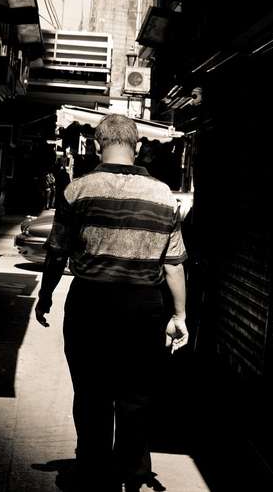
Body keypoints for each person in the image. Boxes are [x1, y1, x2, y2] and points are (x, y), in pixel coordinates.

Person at [35, 114, 189, 492]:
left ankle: (94, 469)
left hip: (90, 302)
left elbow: (57, 251)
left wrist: (46, 295)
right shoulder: (164, 196)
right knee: (137, 394)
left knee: (92, 392)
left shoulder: (77, 191)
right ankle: (133, 470)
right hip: (144, 306)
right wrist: (179, 315)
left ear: (96, 144)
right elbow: (173, 264)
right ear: (137, 146)